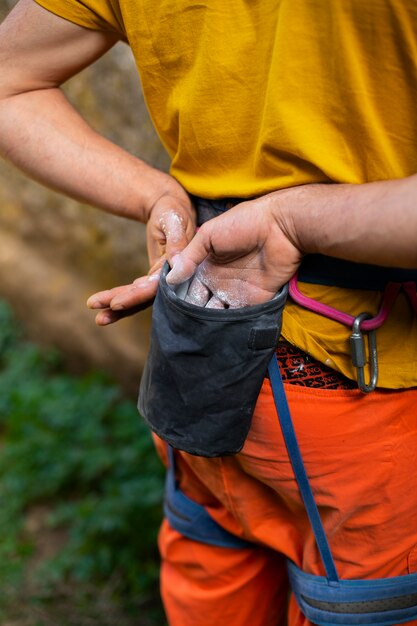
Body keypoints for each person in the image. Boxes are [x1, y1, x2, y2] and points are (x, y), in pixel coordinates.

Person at [1, 1, 417, 624]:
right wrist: (290, 220)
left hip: (195, 347)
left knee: (213, 565)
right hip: (361, 382)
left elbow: (11, 79)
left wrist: (159, 198)